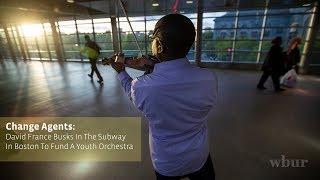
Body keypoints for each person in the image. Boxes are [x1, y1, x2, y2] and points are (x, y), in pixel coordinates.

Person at [110, 14, 217, 180]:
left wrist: (121, 71)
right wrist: (155, 66)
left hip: (167, 161)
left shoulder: (142, 86)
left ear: (159, 46)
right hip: (199, 155)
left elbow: (132, 91)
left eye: (154, 41)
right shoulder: (209, 78)